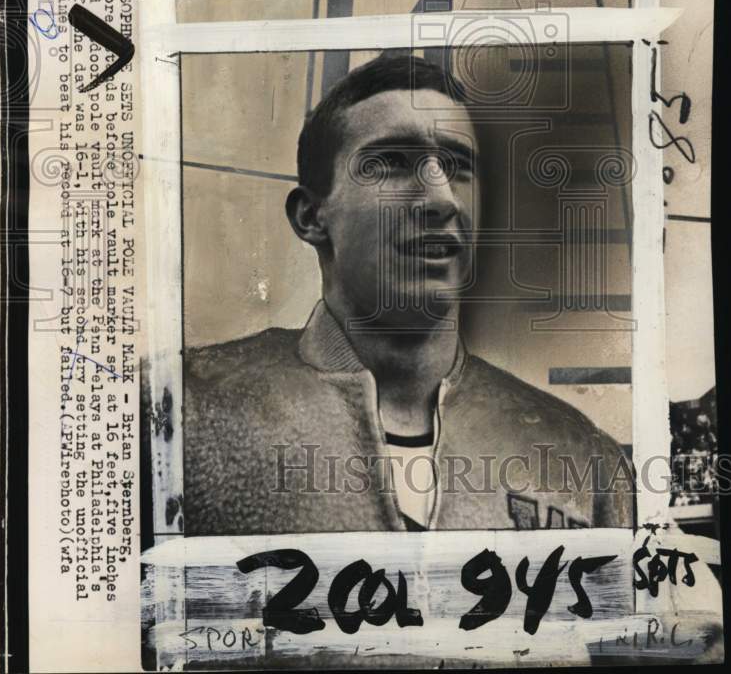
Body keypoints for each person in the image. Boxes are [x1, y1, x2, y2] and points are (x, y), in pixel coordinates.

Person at [185, 54, 633, 534]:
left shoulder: (585, 457)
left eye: (459, 166)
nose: (442, 198)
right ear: (311, 217)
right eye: (392, 163)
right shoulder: (181, 412)